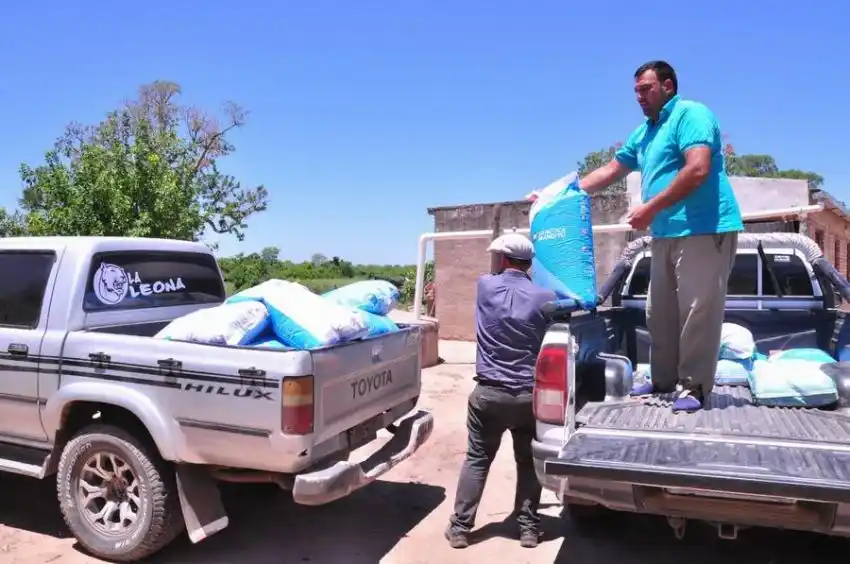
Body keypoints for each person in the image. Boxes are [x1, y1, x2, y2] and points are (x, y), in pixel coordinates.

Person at [579, 60, 743, 413]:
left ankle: (695, 387)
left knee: (697, 311)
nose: (640, 96)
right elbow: (611, 169)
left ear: (668, 86)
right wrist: (564, 192)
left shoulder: (690, 115)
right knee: (660, 312)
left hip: (704, 227)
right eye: (636, 90)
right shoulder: (645, 132)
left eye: (646, 89)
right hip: (665, 232)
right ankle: (664, 379)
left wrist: (650, 208)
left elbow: (697, 168)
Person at [445, 232, 557, 550]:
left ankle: (460, 529)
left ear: (504, 259)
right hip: (527, 397)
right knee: (527, 463)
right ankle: (529, 529)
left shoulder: (484, 286)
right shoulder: (544, 297)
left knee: (478, 460)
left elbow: (495, 277)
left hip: (488, 396)